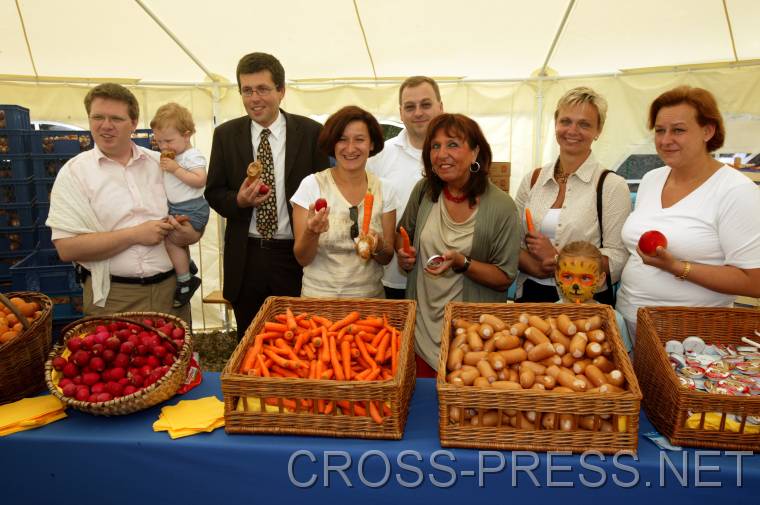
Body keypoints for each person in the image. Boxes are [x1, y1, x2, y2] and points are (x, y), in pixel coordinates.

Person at [46, 83, 201, 321]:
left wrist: (188, 234)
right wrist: (135, 234)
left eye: (116, 118)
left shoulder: (161, 164)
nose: (105, 125)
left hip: (171, 294)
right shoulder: (74, 173)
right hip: (112, 299)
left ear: (134, 122)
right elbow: (67, 249)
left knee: (174, 358)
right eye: (98, 117)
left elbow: (192, 214)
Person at [616, 86, 760, 339]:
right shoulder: (652, 179)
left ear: (708, 130)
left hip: (690, 335)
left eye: (678, 130)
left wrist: (678, 267)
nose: (665, 139)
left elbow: (754, 281)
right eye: (659, 130)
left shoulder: (736, 191)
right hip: (629, 322)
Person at [205, 52, 328, 337]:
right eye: (247, 90)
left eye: (263, 89)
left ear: (281, 91)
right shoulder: (225, 135)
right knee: (251, 344)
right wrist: (239, 201)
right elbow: (214, 193)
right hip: (246, 259)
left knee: (300, 341)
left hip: (294, 258)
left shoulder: (311, 133)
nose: (254, 98)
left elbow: (323, 191)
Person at [397, 113, 520, 376]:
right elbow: (403, 233)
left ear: (475, 152)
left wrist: (463, 263)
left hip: (474, 339)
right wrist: (404, 254)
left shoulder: (501, 206)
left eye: (453, 144)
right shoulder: (424, 192)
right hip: (421, 330)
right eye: (435, 146)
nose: (442, 154)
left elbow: (504, 277)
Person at [514, 86, 631, 305]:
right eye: (566, 121)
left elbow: (617, 256)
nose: (572, 130)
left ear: (598, 131)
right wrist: (537, 268)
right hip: (532, 292)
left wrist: (559, 261)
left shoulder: (611, 185)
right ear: (556, 124)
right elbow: (513, 244)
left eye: (584, 124)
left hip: (585, 301)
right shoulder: (533, 180)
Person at [291, 106, 398, 297]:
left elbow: (386, 258)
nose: (350, 148)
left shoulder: (385, 189)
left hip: (369, 305)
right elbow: (302, 258)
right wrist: (311, 232)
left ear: (371, 144)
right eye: (342, 139)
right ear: (332, 143)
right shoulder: (311, 186)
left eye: (359, 139)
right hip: (317, 305)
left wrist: (378, 245)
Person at [367, 76, 444, 299]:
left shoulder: (454, 157)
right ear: (401, 113)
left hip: (446, 280)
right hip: (392, 279)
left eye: (426, 104)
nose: (418, 112)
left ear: (441, 106)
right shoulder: (380, 156)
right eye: (410, 107)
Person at [150, 102, 209, 308]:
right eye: (158, 142)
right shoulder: (173, 155)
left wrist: (175, 169)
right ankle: (187, 267)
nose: (164, 146)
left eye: (168, 140)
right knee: (169, 238)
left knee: (172, 241)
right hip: (177, 206)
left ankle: (186, 280)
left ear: (187, 135)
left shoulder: (192, 155)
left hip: (192, 207)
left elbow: (200, 180)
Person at [554, 241, 631, 352]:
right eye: (567, 276)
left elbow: (625, 359)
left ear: (600, 279)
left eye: (585, 278)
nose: (576, 285)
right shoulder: (549, 316)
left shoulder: (614, 319)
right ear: (557, 276)